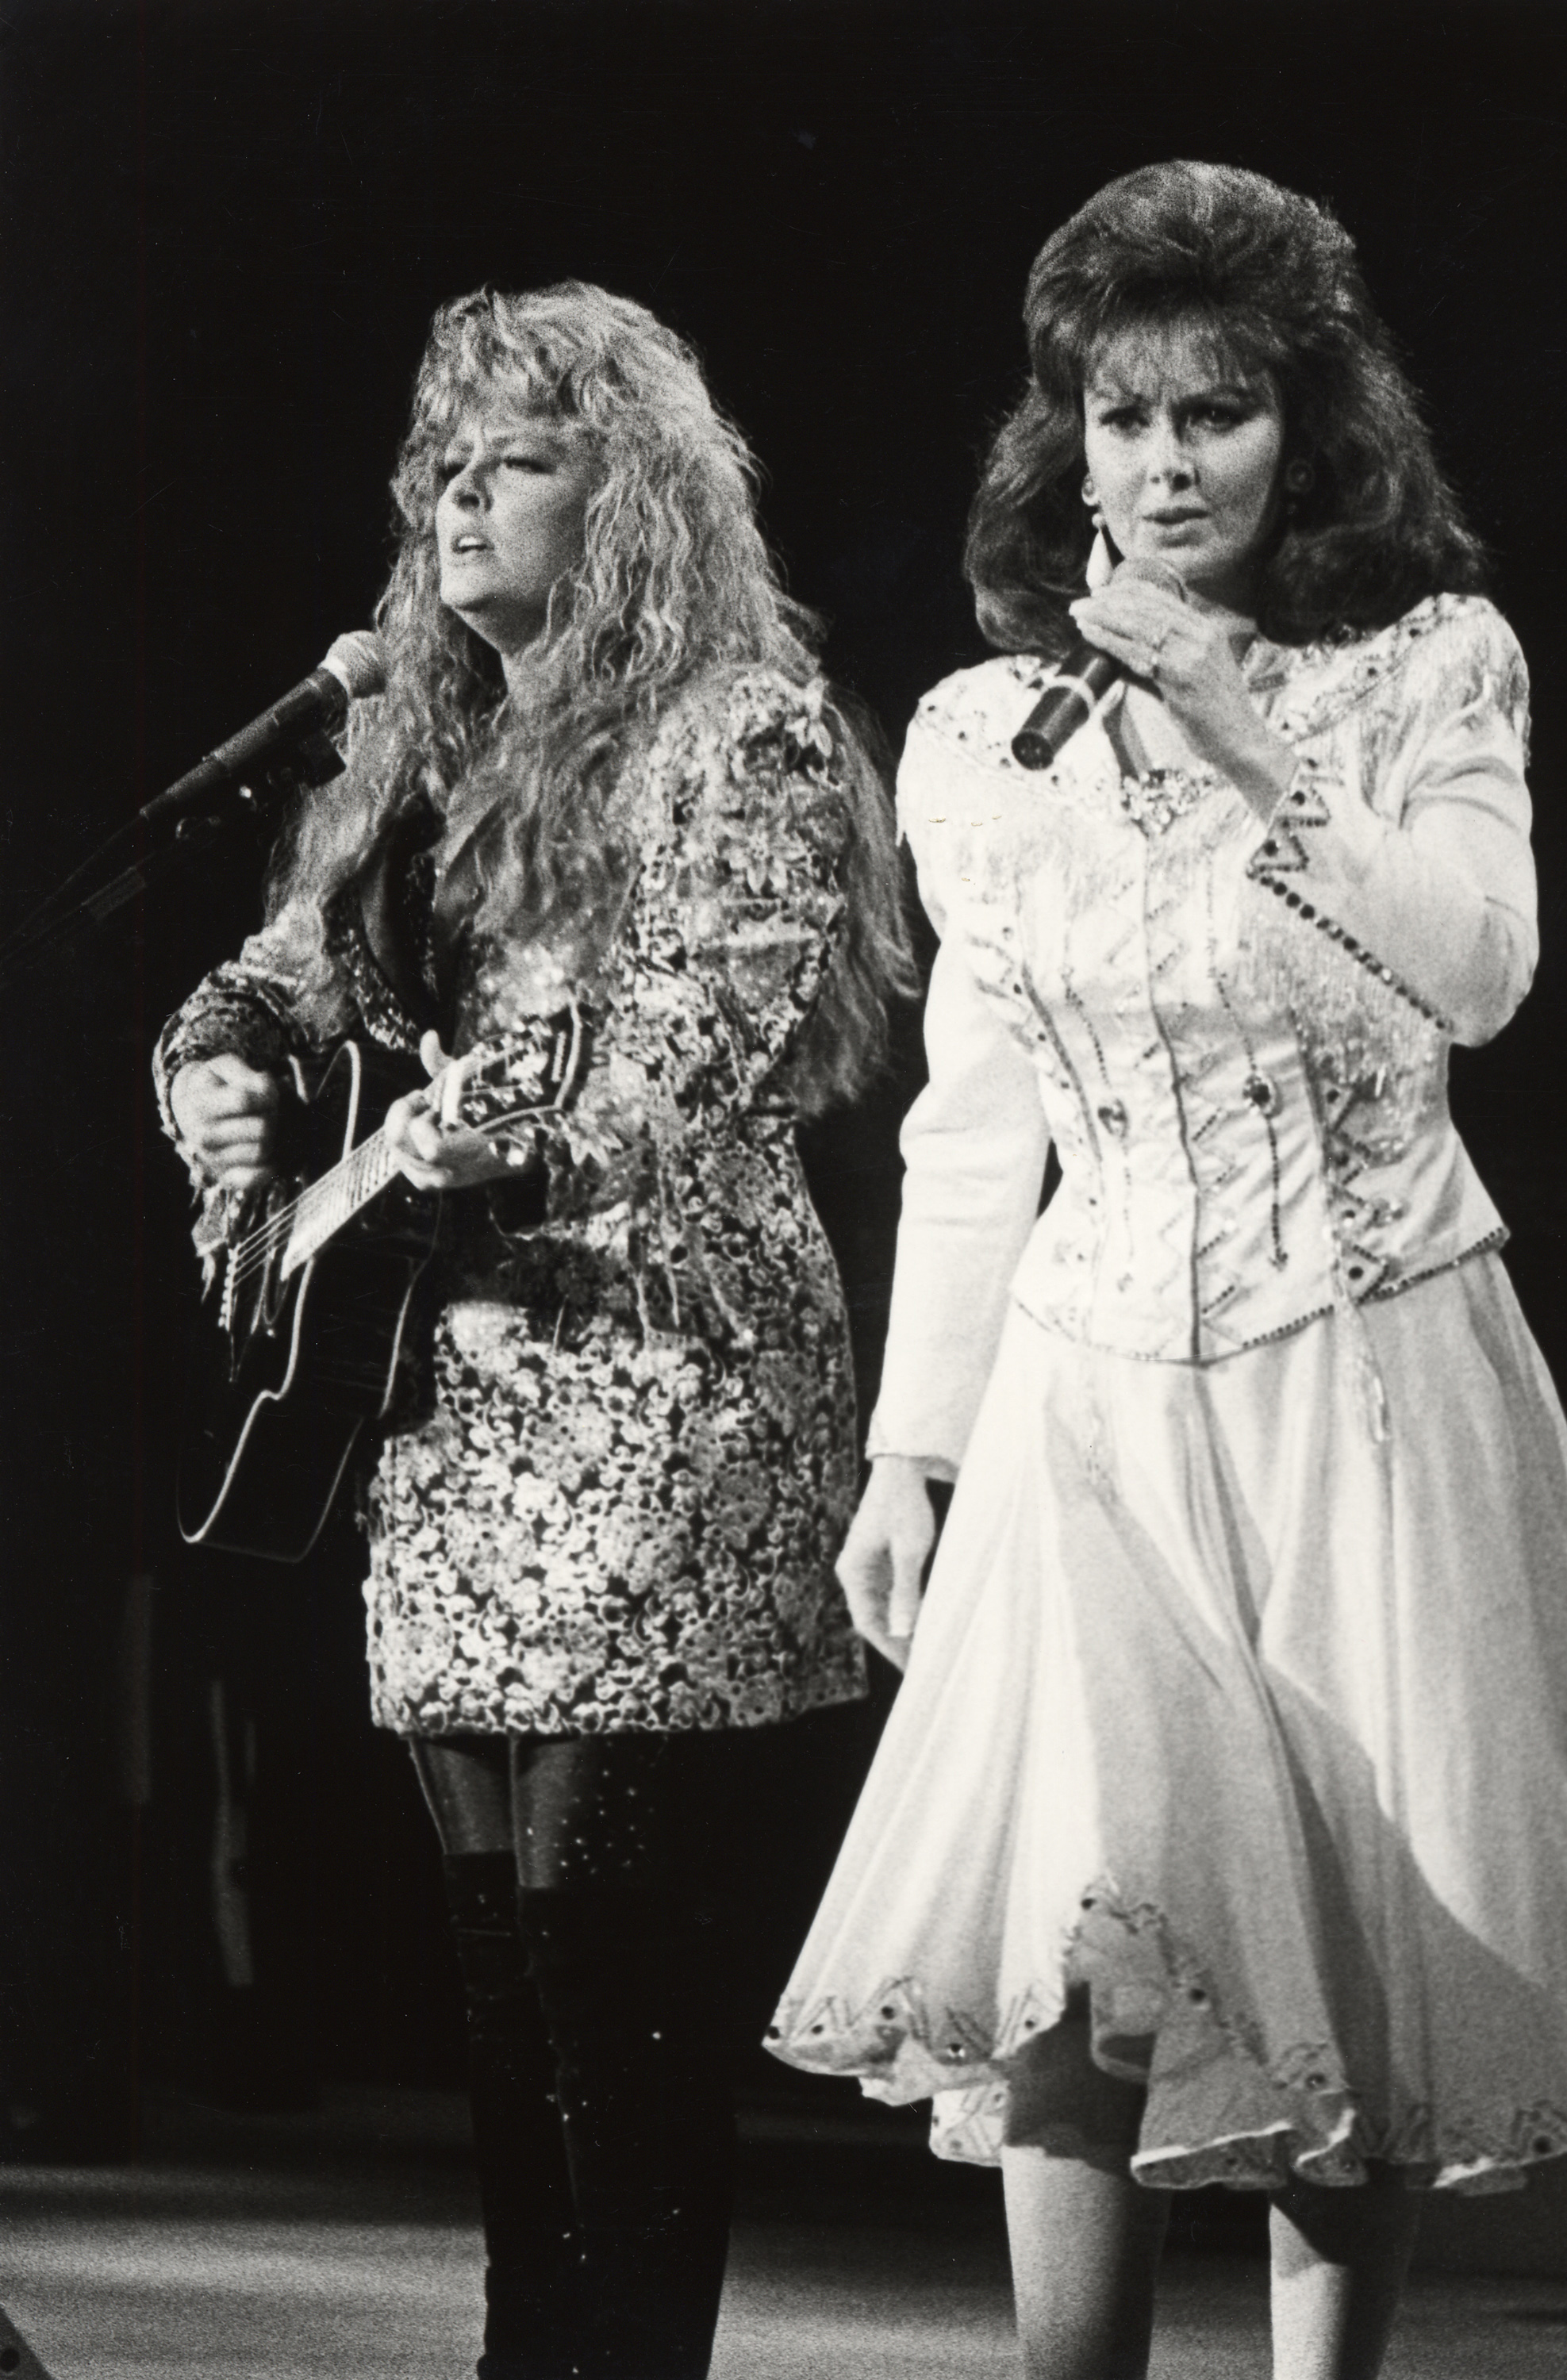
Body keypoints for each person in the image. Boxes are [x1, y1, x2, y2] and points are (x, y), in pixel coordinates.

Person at [766, 165, 1567, 2380]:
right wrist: (909, 1450)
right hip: (1093, 1388)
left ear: (1308, 434)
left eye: (1216, 416)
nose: (1163, 467)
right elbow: (976, 1122)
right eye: (1122, 418)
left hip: (1366, 1367)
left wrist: (1255, 741)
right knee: (1080, 1943)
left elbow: (1477, 976)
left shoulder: (1430, 668)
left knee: (1353, 1955)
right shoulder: (982, 736)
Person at [156, 281, 912, 2380]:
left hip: (664, 1367)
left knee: (604, 1929)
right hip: (453, 1401)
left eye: (522, 455)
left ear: (637, 494)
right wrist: (227, 1115)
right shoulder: (407, 745)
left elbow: (669, 1051)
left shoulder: (741, 726)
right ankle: (531, 2352)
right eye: (444, 463)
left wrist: (375, 1163)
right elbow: (257, 986)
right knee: (495, 1945)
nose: (462, 492)